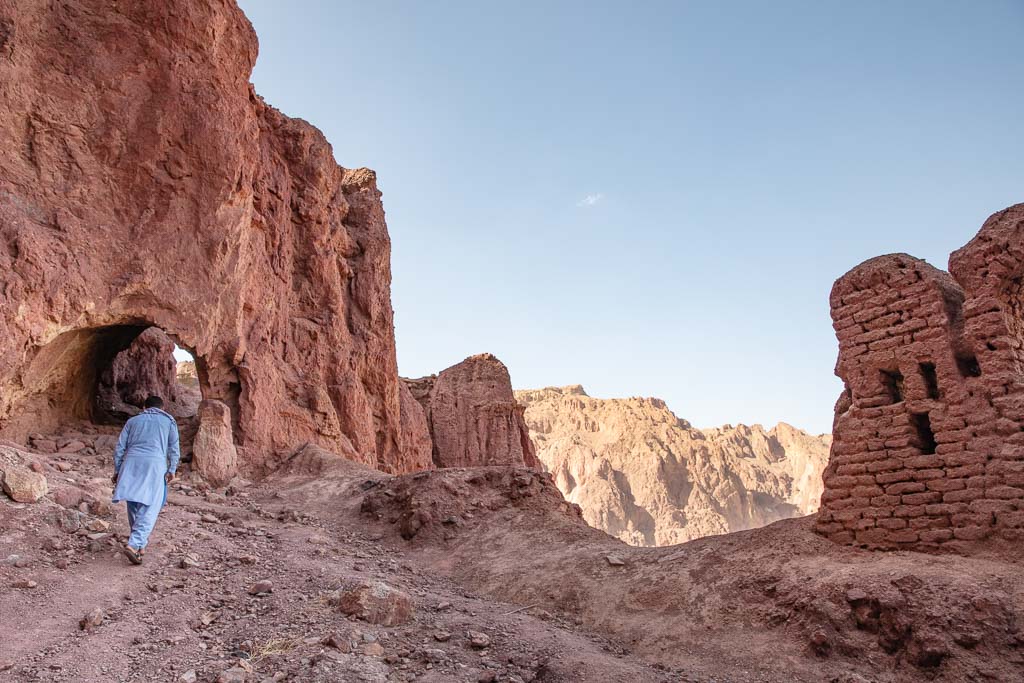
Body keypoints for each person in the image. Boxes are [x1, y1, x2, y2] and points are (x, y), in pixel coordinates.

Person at [111, 395, 180, 565]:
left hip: (131, 462)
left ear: (144, 407)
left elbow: (120, 447)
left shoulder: (133, 421)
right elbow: (174, 448)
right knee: (151, 505)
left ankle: (140, 545)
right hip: (155, 465)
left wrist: (118, 470)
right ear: (162, 408)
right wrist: (171, 469)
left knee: (134, 502)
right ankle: (134, 545)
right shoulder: (168, 422)